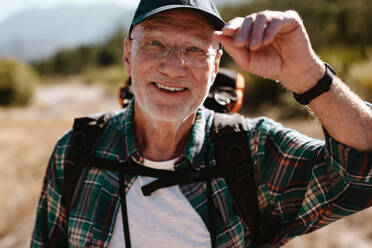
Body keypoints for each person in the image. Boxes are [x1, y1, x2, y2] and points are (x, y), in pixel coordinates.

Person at [31, 0, 372, 247]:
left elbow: (361, 175)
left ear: (215, 65)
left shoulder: (252, 153)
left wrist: (307, 75)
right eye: (155, 43)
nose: (173, 67)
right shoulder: (77, 150)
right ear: (127, 56)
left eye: (195, 49)